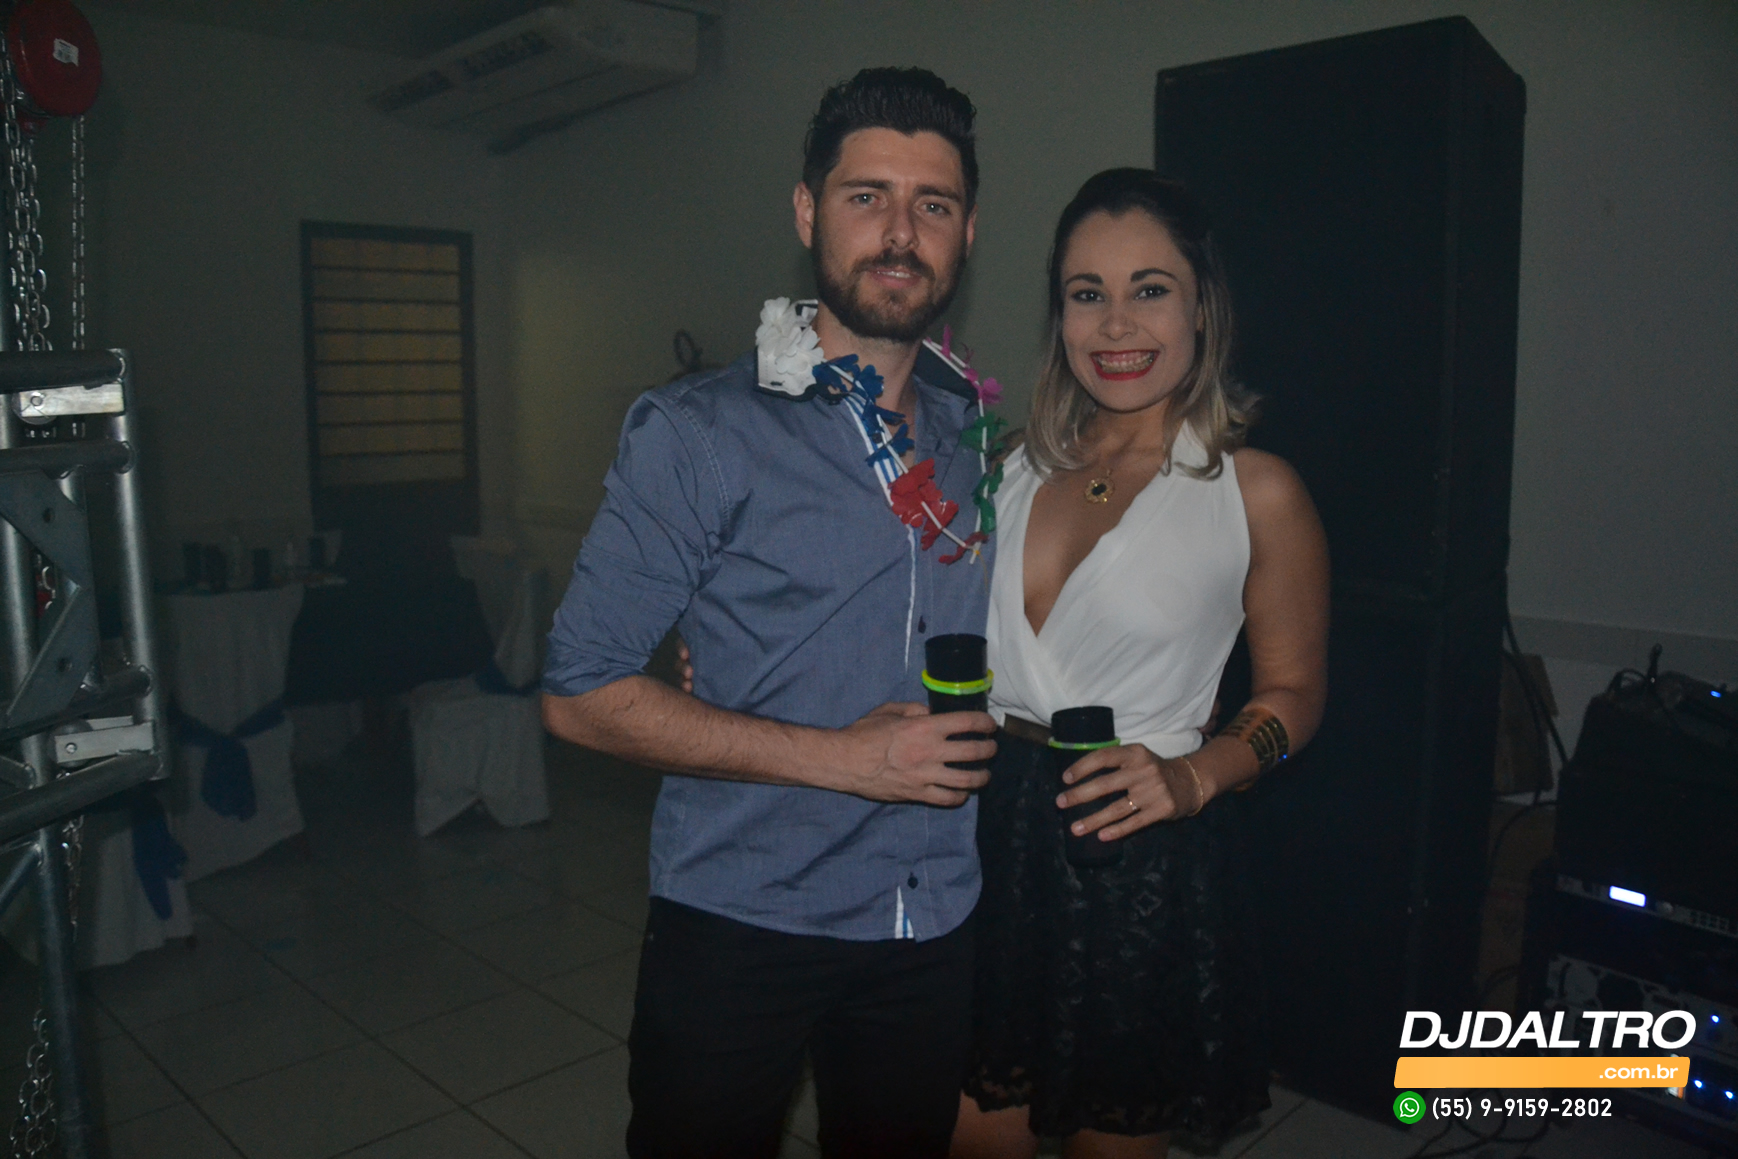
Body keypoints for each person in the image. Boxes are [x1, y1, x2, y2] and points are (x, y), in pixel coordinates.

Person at [541, 68, 1000, 1159]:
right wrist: (845, 758)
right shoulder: (700, 430)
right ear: (807, 212)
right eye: (865, 196)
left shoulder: (971, 434)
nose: (900, 233)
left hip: (928, 913)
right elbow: (579, 693)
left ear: (967, 233)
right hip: (743, 915)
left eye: (932, 204)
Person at [951, 170, 1330, 1159]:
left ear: (1202, 307)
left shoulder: (1254, 490)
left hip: (1138, 852)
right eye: (1088, 293)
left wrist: (1195, 775)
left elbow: (1295, 695)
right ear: (1060, 314)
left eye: (1149, 289)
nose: (1116, 323)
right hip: (986, 836)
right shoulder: (1006, 468)